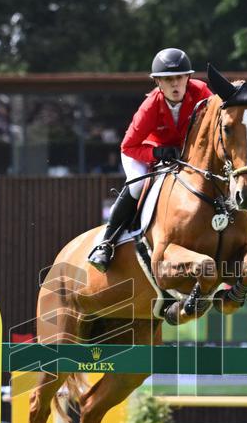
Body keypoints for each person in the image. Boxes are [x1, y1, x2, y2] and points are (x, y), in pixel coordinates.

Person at [87, 48, 213, 272]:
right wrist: (157, 154)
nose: (175, 84)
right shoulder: (150, 107)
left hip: (183, 154)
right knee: (137, 184)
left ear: (188, 78)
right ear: (158, 82)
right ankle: (106, 243)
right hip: (145, 152)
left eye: (179, 78)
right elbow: (128, 146)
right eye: (168, 79)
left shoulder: (202, 94)